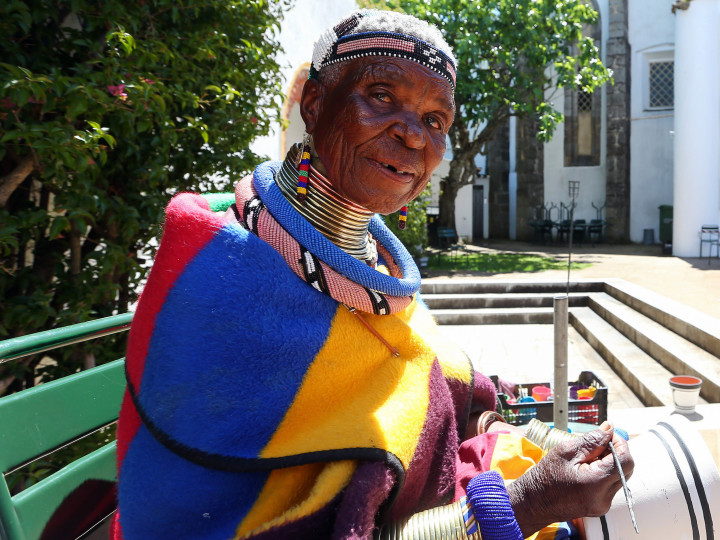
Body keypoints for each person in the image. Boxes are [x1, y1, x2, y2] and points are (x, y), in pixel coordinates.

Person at [112, 10, 632, 540]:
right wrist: (527, 501)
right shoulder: (223, 283)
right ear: (315, 105)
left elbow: (442, 406)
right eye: (382, 96)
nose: (413, 136)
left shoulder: (374, 273)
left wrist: (541, 438)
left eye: (435, 120)